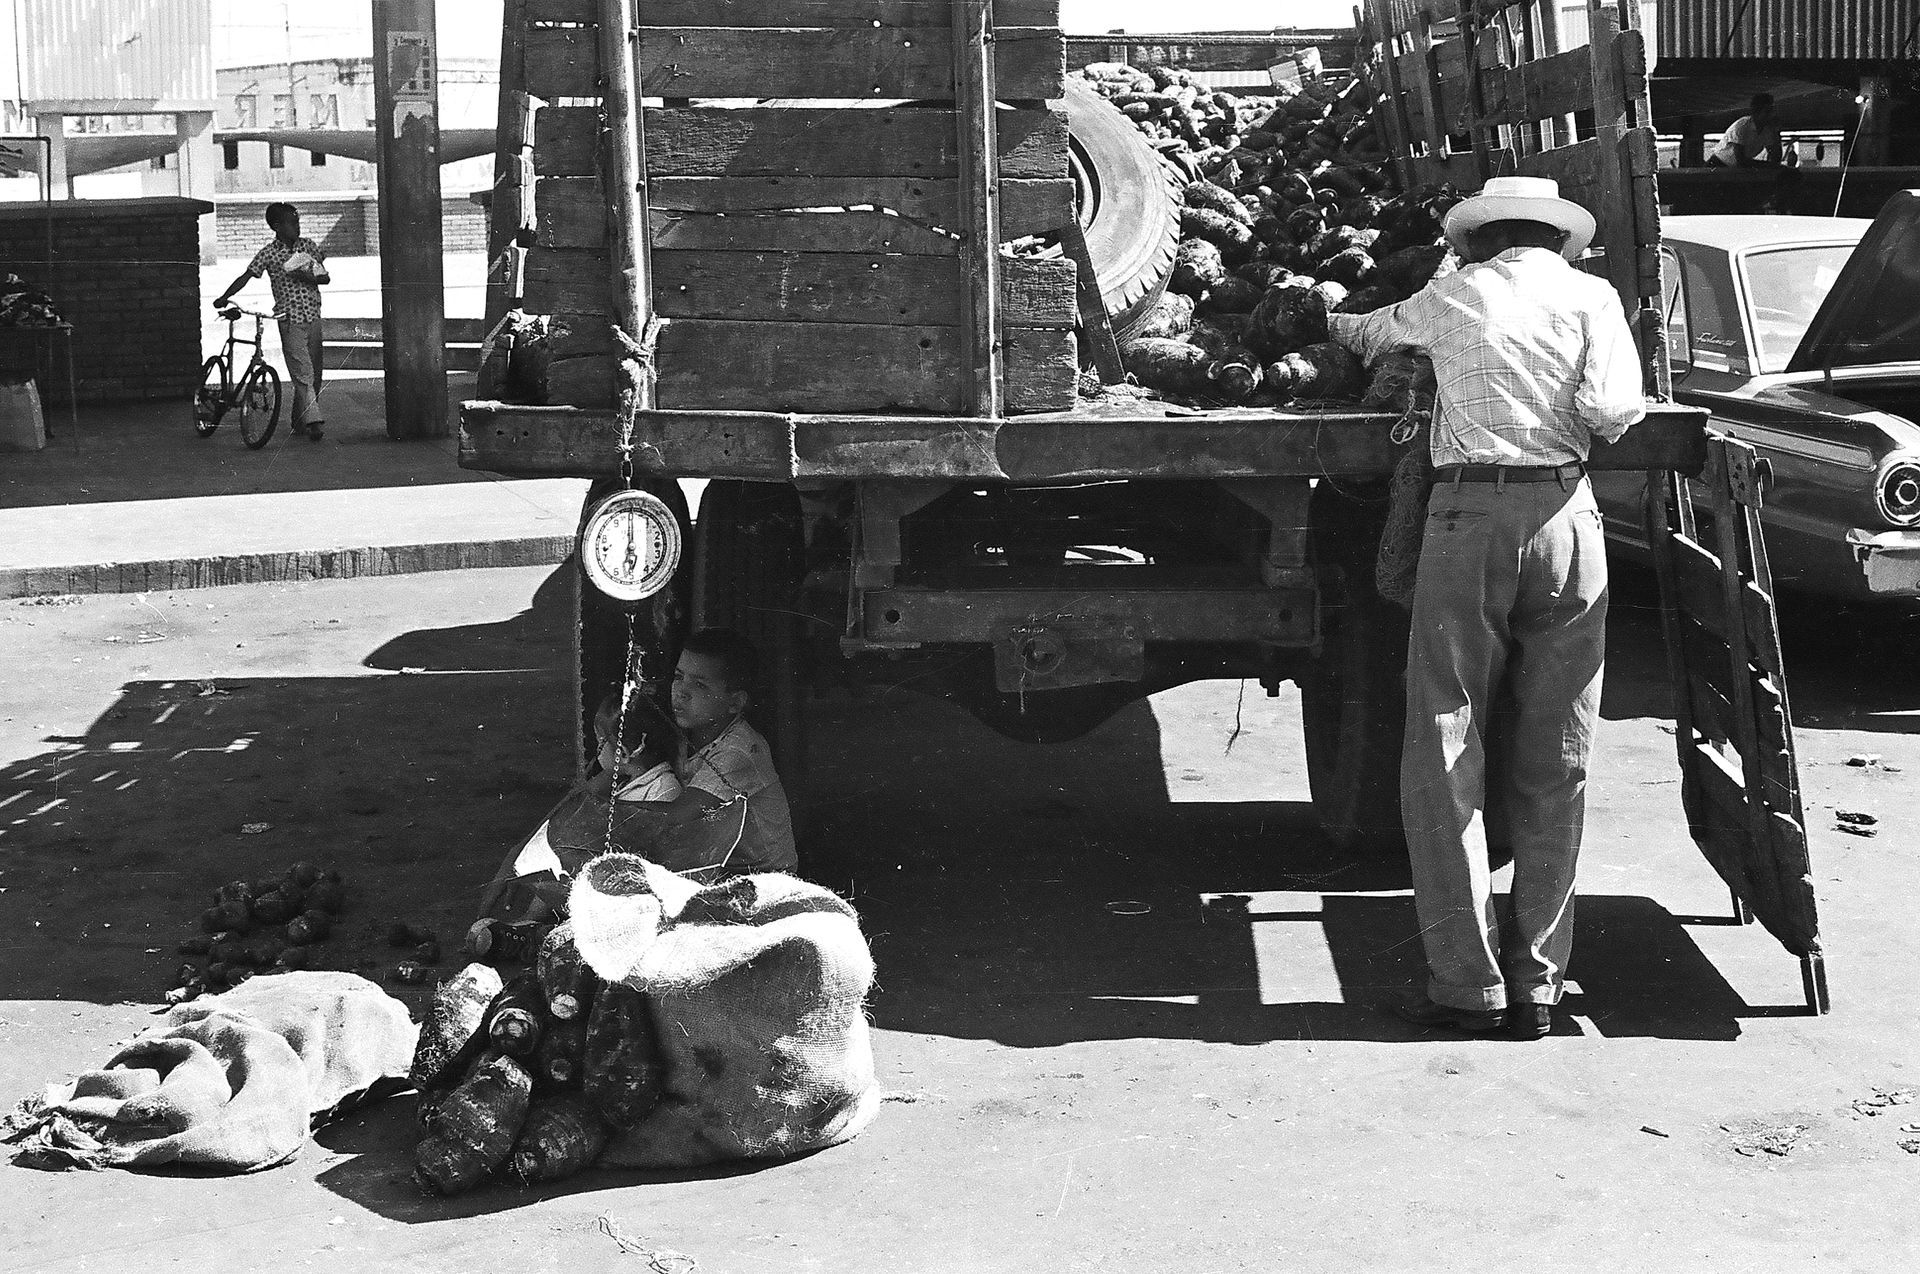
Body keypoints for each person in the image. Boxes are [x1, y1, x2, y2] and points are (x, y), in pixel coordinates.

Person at [1326, 175, 1647, 1041]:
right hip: (1569, 520)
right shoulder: (1593, 297)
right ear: (1555, 239)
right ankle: (1540, 985)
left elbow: (1365, 333)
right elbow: (1615, 410)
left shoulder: (1450, 295)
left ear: (1477, 238)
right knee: (1559, 751)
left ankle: (1466, 986)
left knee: (1444, 737)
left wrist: (1328, 311)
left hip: (1469, 518)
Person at [477, 689, 683, 923]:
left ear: (623, 753)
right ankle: (531, 919)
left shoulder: (663, 790)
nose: (597, 751)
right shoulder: (626, 778)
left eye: (600, 742)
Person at [212, 202, 330, 440]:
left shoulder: (308, 246)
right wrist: (225, 297)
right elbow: (247, 275)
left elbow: (324, 277)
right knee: (303, 372)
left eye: (298, 222)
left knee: (314, 373)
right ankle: (314, 421)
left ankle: (299, 419)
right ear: (277, 226)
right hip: (290, 319)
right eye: (291, 223)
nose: (297, 226)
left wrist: (306, 275)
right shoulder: (269, 253)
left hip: (313, 317)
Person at [1707, 93, 1785, 168]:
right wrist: (1768, 165)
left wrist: (1776, 132)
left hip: (1737, 169)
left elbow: (1775, 157)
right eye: (1767, 112)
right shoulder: (1742, 126)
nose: (1772, 115)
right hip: (1718, 165)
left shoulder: (1767, 130)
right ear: (1756, 112)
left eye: (1772, 111)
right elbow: (1741, 161)